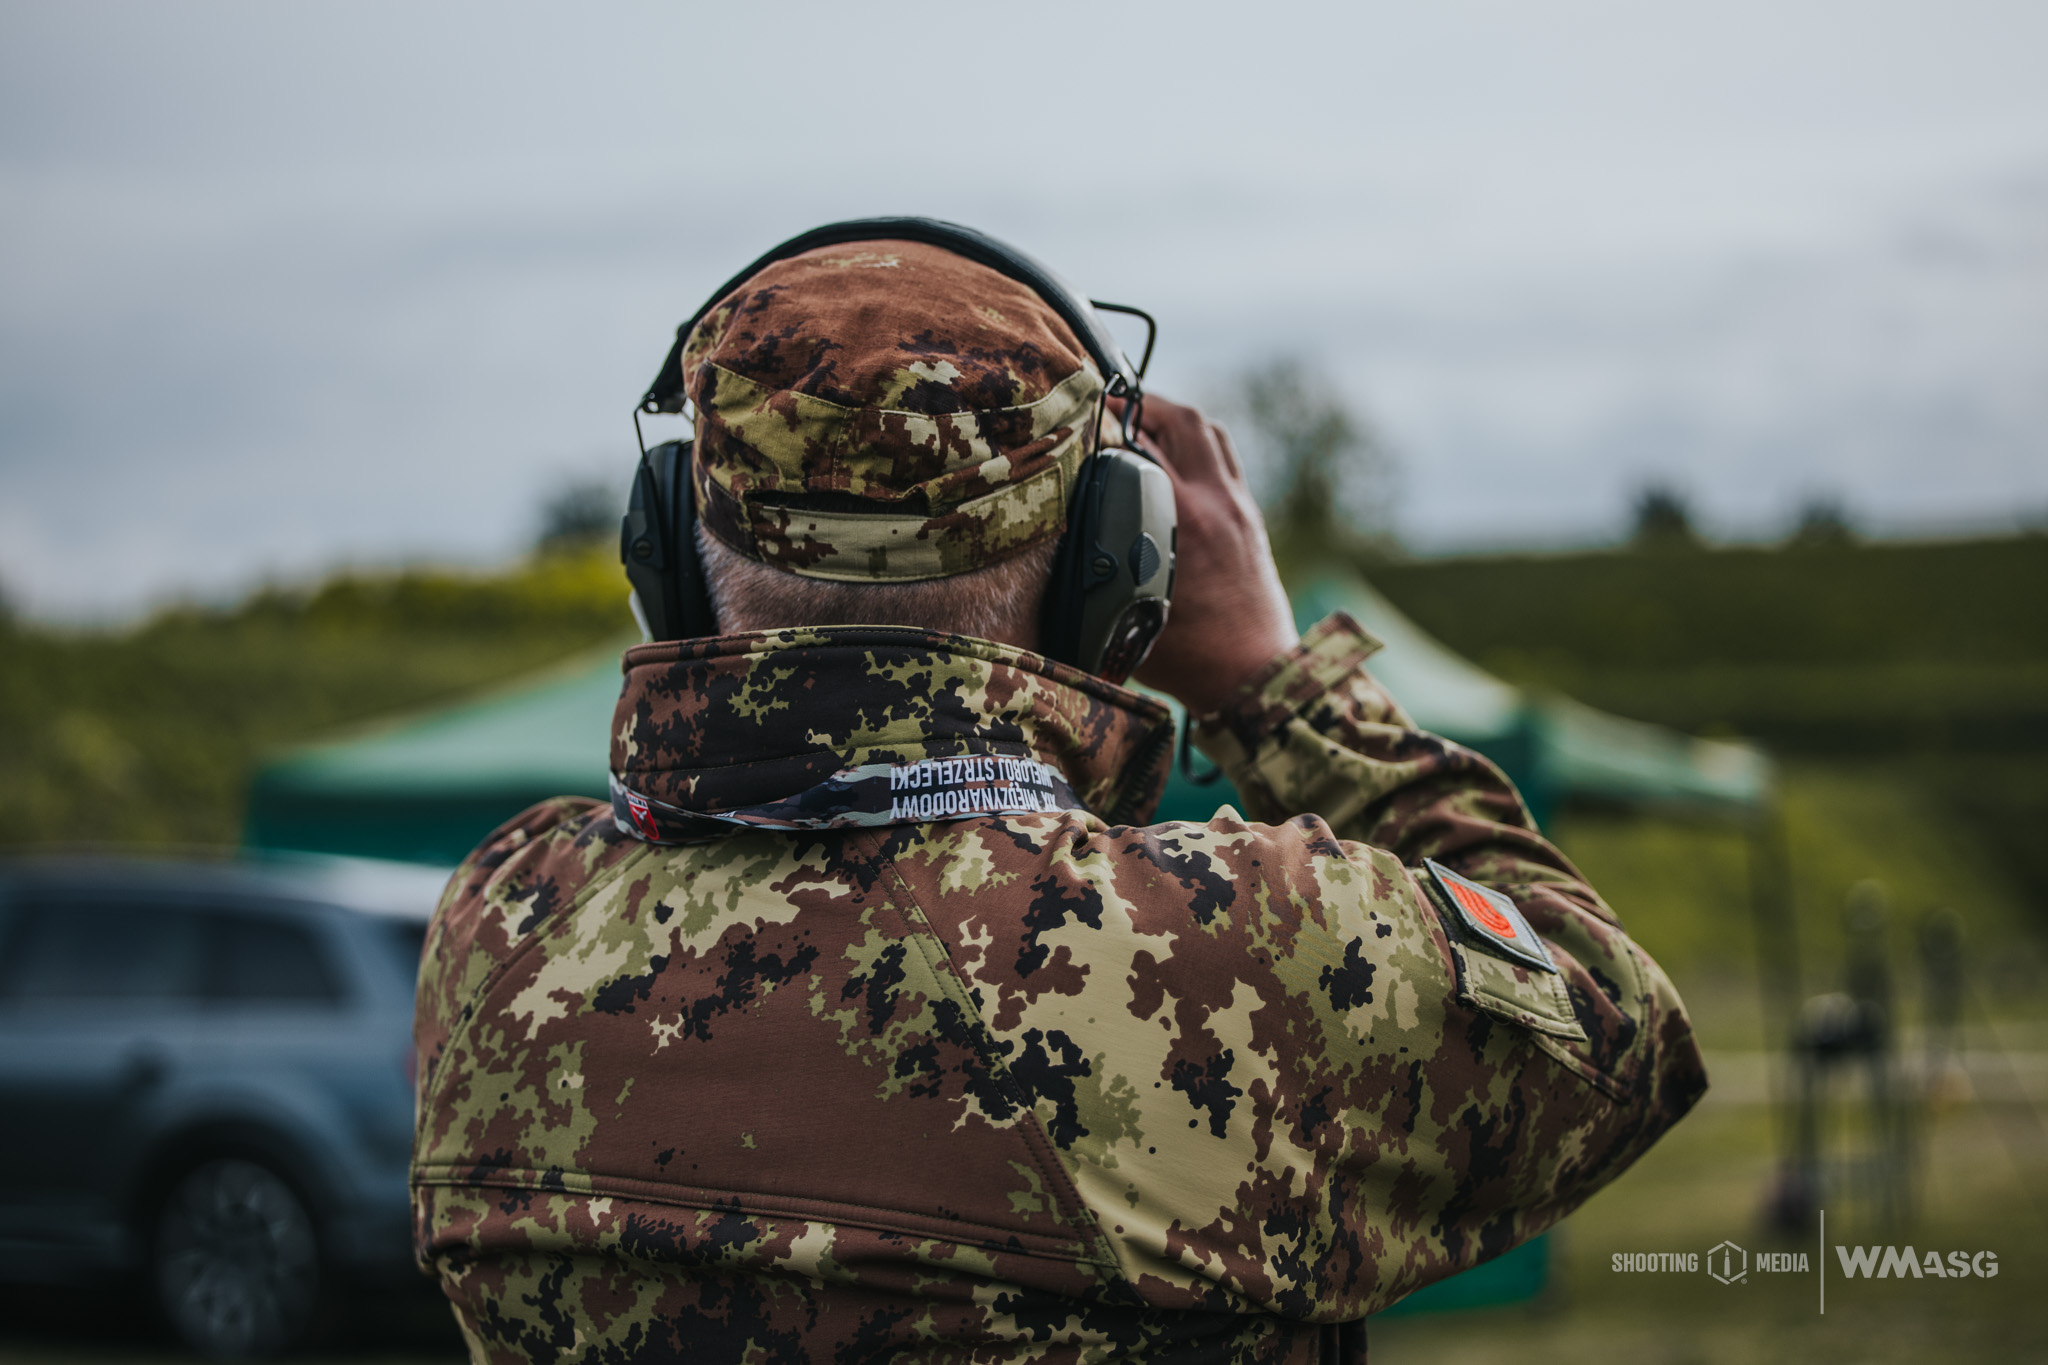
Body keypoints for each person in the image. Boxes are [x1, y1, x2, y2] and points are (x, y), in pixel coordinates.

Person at [409, 224, 1707, 1364]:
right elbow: (1619, 1022)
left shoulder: (498, 931)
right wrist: (1274, 685)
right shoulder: (1241, 952)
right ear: (1113, 569)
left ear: (664, 549)